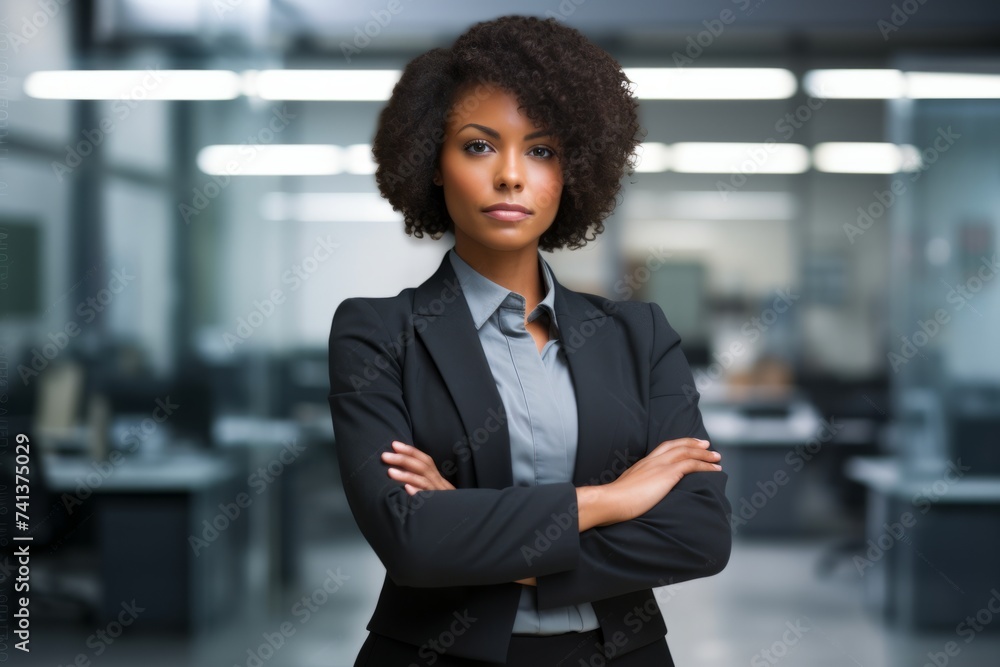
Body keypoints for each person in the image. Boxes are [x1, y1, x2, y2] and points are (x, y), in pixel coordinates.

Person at [327, 15, 732, 667]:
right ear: (433, 162)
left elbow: (697, 535)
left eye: (541, 151)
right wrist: (609, 500)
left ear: (575, 170)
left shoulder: (640, 335)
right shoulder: (377, 333)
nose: (511, 175)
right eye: (479, 146)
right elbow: (411, 542)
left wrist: (472, 529)